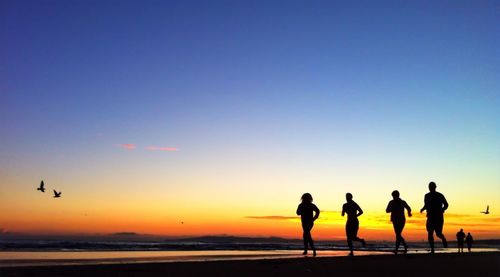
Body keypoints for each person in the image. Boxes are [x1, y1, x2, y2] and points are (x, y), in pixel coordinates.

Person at [420, 181, 448, 253]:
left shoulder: (440, 195)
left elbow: (446, 204)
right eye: (429, 187)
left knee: (438, 233)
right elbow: (426, 205)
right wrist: (422, 209)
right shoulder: (427, 196)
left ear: (435, 187)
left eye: (432, 187)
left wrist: (443, 209)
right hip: (430, 217)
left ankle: (443, 238)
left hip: (438, 216)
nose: (430, 188)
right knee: (430, 233)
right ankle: (432, 249)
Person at [386, 190, 412, 254]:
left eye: (395, 195)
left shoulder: (402, 202)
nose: (394, 197)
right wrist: (392, 208)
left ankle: (398, 249)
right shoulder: (391, 202)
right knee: (398, 234)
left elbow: (408, 208)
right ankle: (404, 246)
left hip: (401, 220)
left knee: (398, 234)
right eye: (393, 196)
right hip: (394, 220)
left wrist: (409, 213)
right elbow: (387, 210)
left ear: (398, 195)